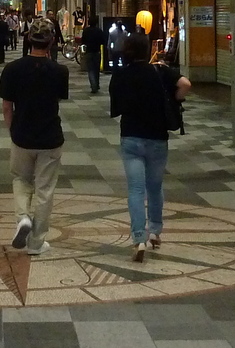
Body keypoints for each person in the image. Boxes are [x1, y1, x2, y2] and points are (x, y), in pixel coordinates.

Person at [109, 32, 189, 261]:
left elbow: (116, 108)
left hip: (131, 136)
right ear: (147, 50)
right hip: (157, 137)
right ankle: (155, 230)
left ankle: (138, 238)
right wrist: (175, 100)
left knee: (135, 190)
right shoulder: (160, 71)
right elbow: (185, 84)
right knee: (155, 186)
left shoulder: (121, 75)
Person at [0, 18, 69, 254]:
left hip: (22, 134)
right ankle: (37, 243)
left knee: (20, 179)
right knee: (45, 189)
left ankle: (22, 218)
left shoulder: (12, 69)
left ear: (28, 38)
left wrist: (12, 130)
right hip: (50, 136)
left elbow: (7, 106)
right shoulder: (60, 71)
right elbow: (56, 100)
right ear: (52, 42)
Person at [79, 17, 103, 94]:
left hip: (88, 52)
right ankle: (96, 84)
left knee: (90, 70)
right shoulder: (99, 31)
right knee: (96, 70)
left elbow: (83, 41)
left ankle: (93, 85)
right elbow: (103, 40)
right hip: (97, 51)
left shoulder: (86, 31)